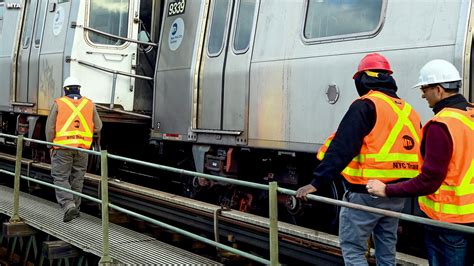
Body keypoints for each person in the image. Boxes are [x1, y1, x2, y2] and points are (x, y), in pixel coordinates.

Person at [296, 53, 422, 265]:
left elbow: (342, 148)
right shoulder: (409, 111)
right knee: (386, 249)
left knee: (353, 249)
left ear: (362, 79)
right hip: (397, 194)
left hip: (366, 194)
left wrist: (316, 182)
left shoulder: (365, 105)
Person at [367, 59, 474, 266]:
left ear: (439, 89)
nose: (423, 95)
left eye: (425, 89)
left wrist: (386, 190)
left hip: (448, 220)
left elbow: (429, 181)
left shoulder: (441, 125)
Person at [46, 76, 102, 222]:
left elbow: (50, 128)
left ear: (65, 90)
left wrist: (49, 144)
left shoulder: (59, 103)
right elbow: (98, 126)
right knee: (78, 178)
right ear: (79, 89)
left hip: (63, 148)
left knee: (60, 177)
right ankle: (75, 209)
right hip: (82, 149)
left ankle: (68, 205)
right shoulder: (89, 104)